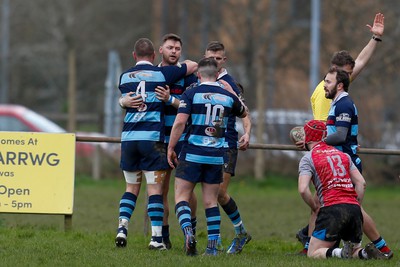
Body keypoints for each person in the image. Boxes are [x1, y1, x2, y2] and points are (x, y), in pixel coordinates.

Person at [297, 67, 393, 260]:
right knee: (324, 203)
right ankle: (311, 244)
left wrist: (317, 144)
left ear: (340, 85)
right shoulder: (337, 103)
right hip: (335, 160)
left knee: (351, 206)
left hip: (342, 161)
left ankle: (382, 248)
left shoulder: (344, 104)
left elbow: (341, 135)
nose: (324, 85)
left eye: (328, 82)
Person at [115, 37, 197, 250]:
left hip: (128, 140)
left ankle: (122, 228)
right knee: (155, 190)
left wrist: (122, 101)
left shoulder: (124, 77)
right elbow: (191, 65)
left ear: (134, 56)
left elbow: (122, 97)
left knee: (131, 187)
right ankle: (157, 239)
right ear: (154, 56)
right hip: (152, 140)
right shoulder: (162, 74)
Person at [168, 57, 248, 256]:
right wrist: (233, 94)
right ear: (216, 74)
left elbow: (179, 123)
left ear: (198, 74)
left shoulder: (191, 93)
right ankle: (211, 249)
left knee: (181, 197)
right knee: (211, 201)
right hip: (215, 156)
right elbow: (244, 111)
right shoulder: (226, 96)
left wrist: (171, 147)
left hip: (192, 153)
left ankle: (188, 232)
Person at [298, 120, 383, 260]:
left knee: (312, 253)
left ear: (307, 137)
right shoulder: (343, 155)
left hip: (332, 209)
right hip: (353, 209)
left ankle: (340, 253)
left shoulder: (308, 158)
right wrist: (356, 204)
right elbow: (361, 183)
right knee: (355, 249)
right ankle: (366, 253)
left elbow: (303, 189)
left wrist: (315, 208)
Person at [204, 41, 252, 254]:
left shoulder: (230, 83)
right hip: (204, 144)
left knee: (219, 193)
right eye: (210, 57)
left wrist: (247, 132)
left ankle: (240, 233)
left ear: (224, 60)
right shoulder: (201, 79)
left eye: (218, 58)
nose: (214, 61)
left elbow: (245, 112)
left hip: (226, 145)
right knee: (205, 193)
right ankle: (214, 239)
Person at [155, 33, 198, 249]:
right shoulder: (153, 74)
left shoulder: (190, 78)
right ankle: (164, 237)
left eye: (177, 48)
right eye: (170, 47)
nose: (174, 51)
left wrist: (170, 100)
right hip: (159, 140)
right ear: (160, 50)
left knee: (186, 190)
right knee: (160, 189)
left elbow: (191, 109)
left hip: (183, 139)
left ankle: (191, 232)